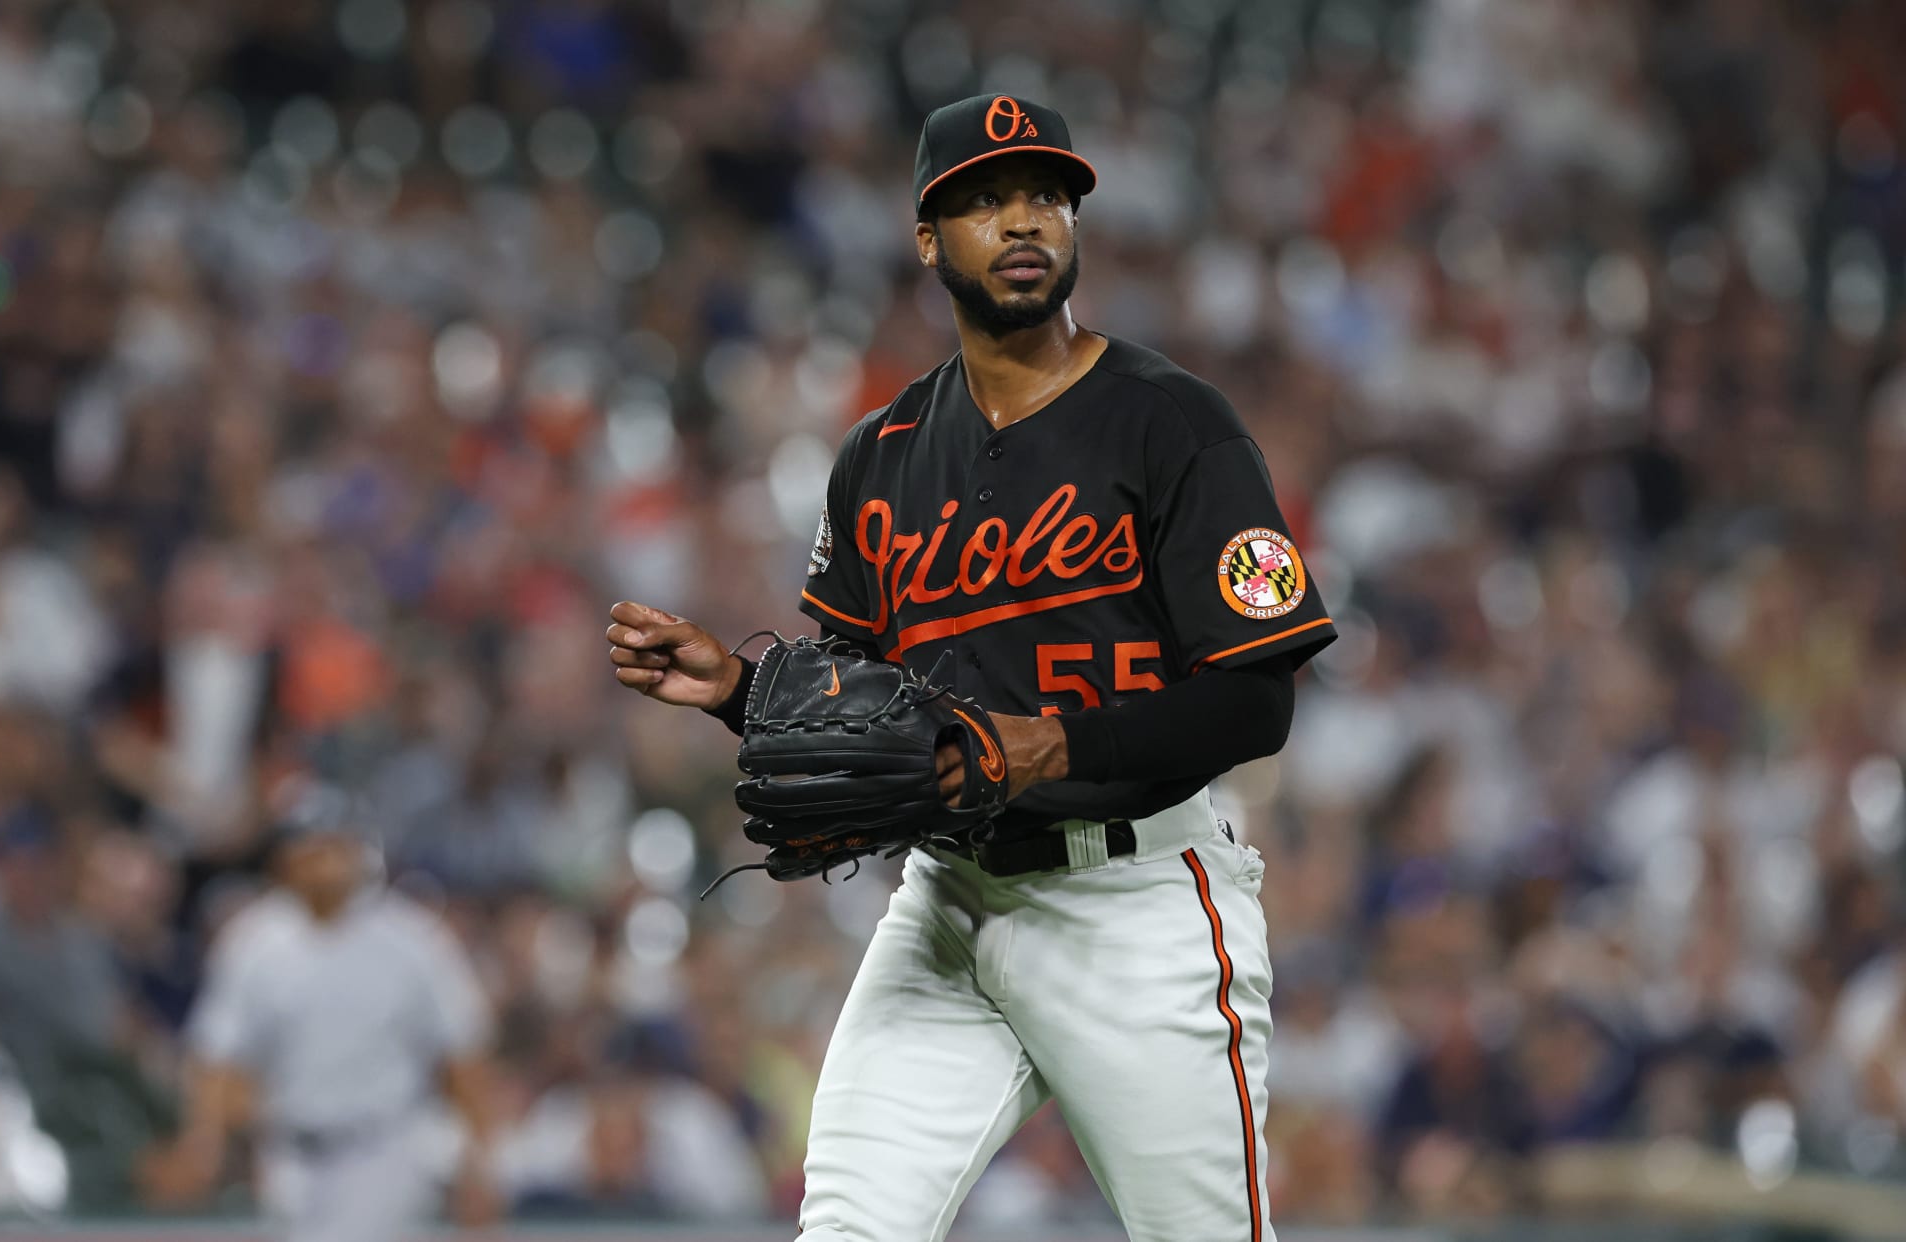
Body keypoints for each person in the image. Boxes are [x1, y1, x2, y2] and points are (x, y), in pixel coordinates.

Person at [606, 93, 1337, 1242]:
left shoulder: (1175, 424)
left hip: (1136, 903)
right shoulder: (880, 457)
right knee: (844, 1228)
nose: (1022, 220)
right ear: (926, 240)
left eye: (1045, 194)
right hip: (949, 902)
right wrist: (742, 695)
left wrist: (1060, 742)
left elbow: (1257, 698)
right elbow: (855, 722)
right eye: (983, 200)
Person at [158, 781, 503, 1242]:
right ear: (284, 858)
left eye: (334, 845)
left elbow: (462, 1055)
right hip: (289, 1154)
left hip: (383, 1148)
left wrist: (480, 1163)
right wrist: (204, 1141)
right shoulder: (255, 940)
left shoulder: (411, 939)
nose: (323, 860)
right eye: (309, 846)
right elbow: (219, 1055)